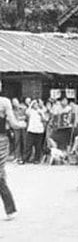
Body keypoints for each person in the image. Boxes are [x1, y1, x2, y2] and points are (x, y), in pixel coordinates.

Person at [1, 84, 27, 220]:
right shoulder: (4, 102)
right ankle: (10, 209)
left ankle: (10, 208)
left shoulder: (5, 102)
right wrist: (22, 124)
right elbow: (13, 123)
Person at [24, 99, 47, 164]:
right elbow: (27, 112)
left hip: (39, 130)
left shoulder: (41, 111)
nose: (35, 105)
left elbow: (45, 119)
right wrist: (31, 104)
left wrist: (41, 114)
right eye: (34, 104)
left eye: (36, 104)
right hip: (31, 130)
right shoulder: (30, 111)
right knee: (28, 145)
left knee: (38, 146)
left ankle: (36, 159)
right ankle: (26, 158)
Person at [11, 98, 27, 164]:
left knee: (24, 141)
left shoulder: (23, 108)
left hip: (23, 126)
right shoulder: (12, 110)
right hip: (16, 127)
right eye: (14, 103)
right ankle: (17, 157)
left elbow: (27, 116)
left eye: (16, 102)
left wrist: (21, 118)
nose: (15, 104)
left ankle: (24, 157)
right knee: (17, 141)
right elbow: (12, 118)